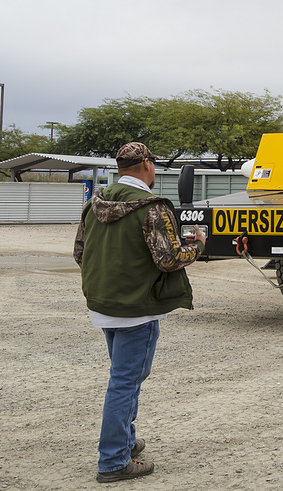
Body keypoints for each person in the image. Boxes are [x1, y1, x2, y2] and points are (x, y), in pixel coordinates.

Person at [73, 142, 207, 483]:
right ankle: (113, 461)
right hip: (138, 310)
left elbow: (80, 253)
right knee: (125, 383)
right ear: (146, 164)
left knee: (124, 378)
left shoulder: (95, 203)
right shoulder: (152, 208)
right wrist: (198, 245)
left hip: (104, 305)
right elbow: (169, 259)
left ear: (120, 167)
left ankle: (127, 442)